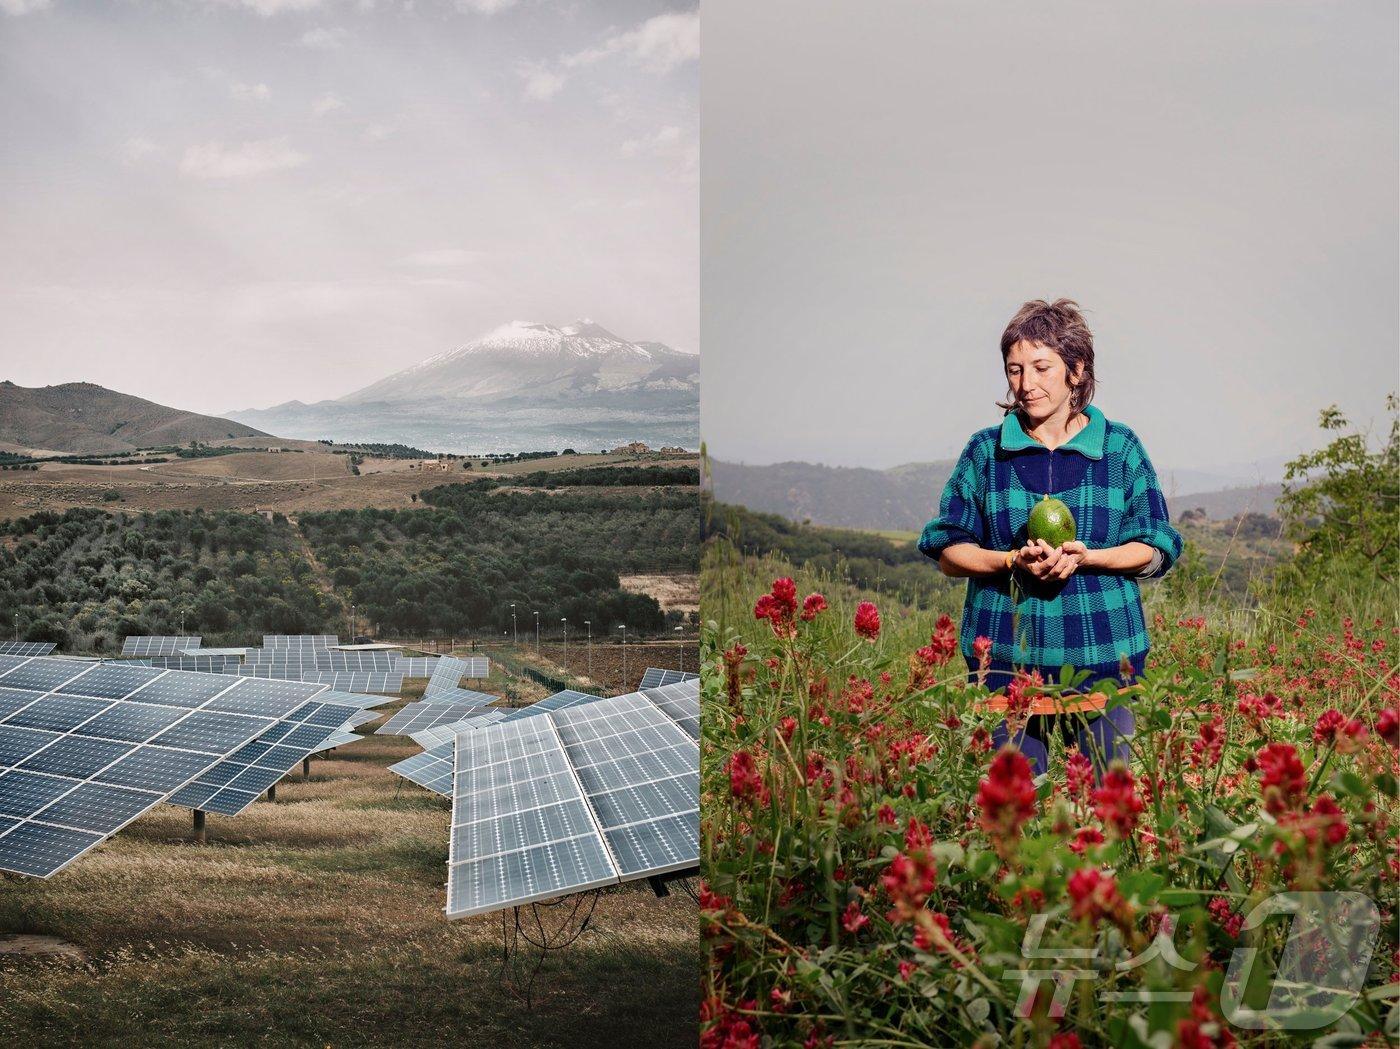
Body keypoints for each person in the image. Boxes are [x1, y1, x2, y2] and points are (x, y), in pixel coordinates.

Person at [917, 299, 1182, 779]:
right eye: (1015, 370)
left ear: (1076, 371)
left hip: (1105, 659)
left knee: (1108, 805)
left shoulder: (1119, 448)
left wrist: (1091, 558)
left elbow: (1156, 545)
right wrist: (1008, 561)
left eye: (1042, 367)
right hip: (1005, 664)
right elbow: (948, 551)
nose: (1026, 384)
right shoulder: (986, 451)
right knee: (1014, 811)